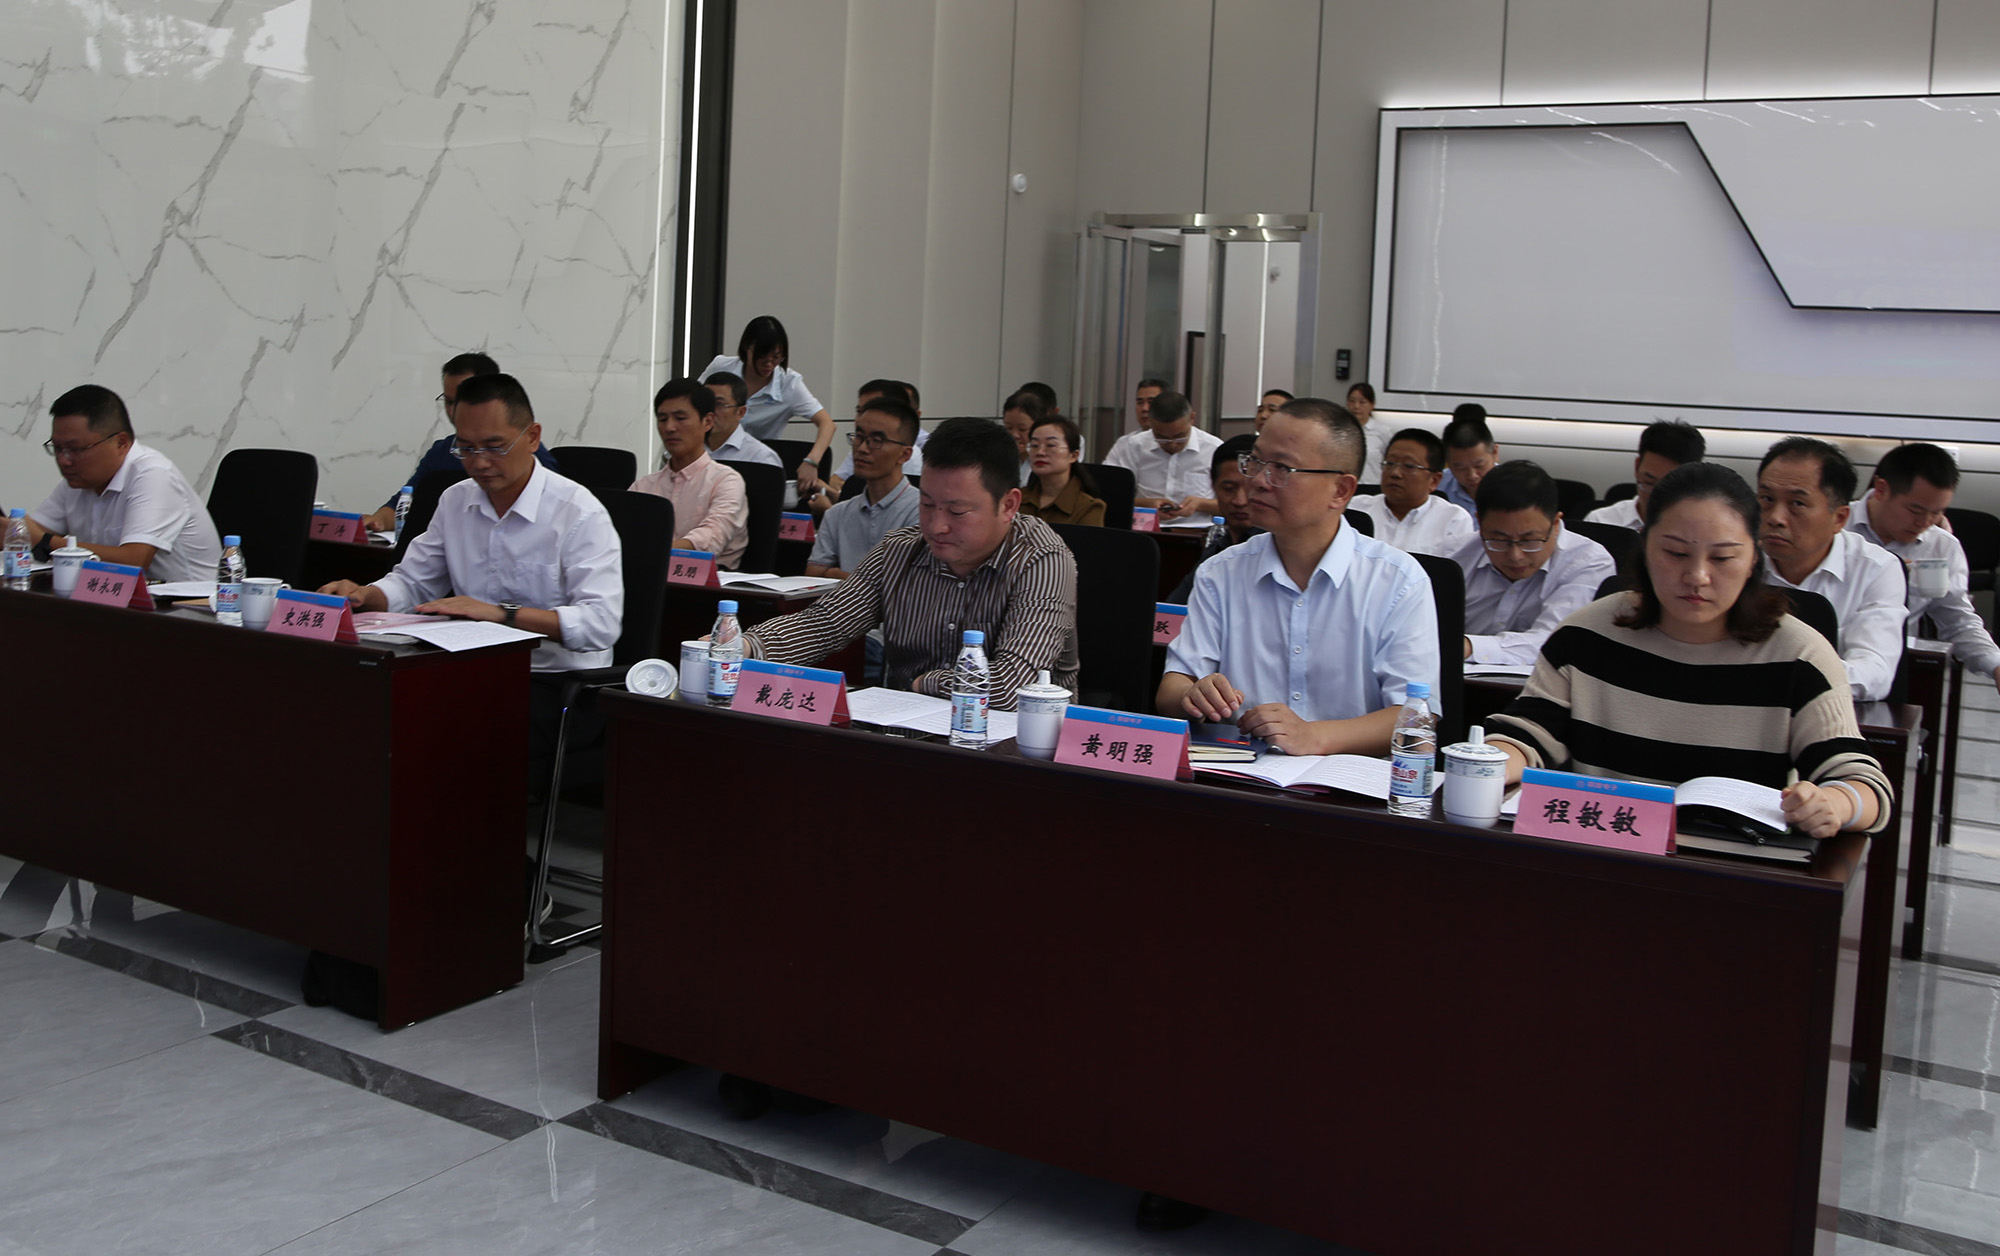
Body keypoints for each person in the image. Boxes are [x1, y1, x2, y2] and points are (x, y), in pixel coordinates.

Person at [1485, 461, 1889, 840]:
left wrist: (1834, 803)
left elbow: (1864, 784)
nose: (1697, 576)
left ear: (1753, 559)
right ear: (1646, 548)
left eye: (1723, 557)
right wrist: (1489, 762)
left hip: (1730, 866)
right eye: (1676, 553)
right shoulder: (1586, 635)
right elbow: (1527, 735)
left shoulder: (1799, 655)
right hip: (1600, 851)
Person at [318, 373, 624, 791]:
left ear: (532, 437)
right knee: (369, 702)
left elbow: (600, 624)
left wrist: (502, 615)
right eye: (466, 447)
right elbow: (413, 583)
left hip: (557, 684)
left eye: (495, 447)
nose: (479, 462)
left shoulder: (579, 513)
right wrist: (364, 595)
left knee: (442, 725)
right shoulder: (456, 499)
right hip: (471, 670)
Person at [1159, 398, 1439, 756]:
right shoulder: (1221, 572)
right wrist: (1192, 695)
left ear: (1341, 490)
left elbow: (1416, 717)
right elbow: (1171, 689)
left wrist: (1314, 736)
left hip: (1348, 780)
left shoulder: (1398, 580)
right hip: (1241, 771)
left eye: (1281, 468)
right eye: (1255, 461)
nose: (1258, 481)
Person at [741, 417, 1079, 704]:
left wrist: (924, 683)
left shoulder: (1042, 559)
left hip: (1014, 742)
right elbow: (825, 624)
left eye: (957, 511)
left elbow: (1012, 686)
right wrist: (743, 646)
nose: (936, 525)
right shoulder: (900, 549)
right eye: (927, 504)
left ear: (1008, 505)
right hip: (907, 731)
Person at [16, 384, 222, 584]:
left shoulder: (154, 475)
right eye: (58, 448)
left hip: (186, 603)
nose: (63, 460)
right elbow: (31, 531)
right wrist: (13, 531)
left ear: (121, 443)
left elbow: (134, 562)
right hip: (113, 599)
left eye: (75, 449)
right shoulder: (78, 481)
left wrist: (44, 542)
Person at [1756, 437, 1905, 702]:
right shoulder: (1733, 557)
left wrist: (1786, 677)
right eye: (1767, 499)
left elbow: (1874, 671)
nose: (1775, 518)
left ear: (1839, 518)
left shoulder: (1876, 568)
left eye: (1797, 504)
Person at [1850, 443, 2000, 692]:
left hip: (1896, 670)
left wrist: (1995, 664)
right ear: (1881, 489)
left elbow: (1958, 621)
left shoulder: (1941, 546)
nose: (1925, 522)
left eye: (1937, 512)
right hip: (1826, 656)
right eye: (1915, 510)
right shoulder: (1832, 527)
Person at [365, 352, 557, 534]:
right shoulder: (442, 453)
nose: (455, 410)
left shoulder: (529, 456)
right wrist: (376, 521)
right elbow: (404, 505)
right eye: (449, 401)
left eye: (494, 448)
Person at [1451, 461, 1615, 665]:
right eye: (1499, 540)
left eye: (1529, 540)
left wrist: (1465, 646)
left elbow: (1555, 641)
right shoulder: (1453, 554)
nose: (1515, 555)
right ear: (1480, 524)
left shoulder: (1589, 562)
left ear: (1556, 524)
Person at [699, 316, 835, 497]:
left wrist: (812, 461)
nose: (769, 364)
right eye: (763, 357)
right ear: (747, 347)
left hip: (754, 466)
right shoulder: (721, 366)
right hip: (711, 455)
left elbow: (827, 424)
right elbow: (694, 402)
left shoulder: (789, 384)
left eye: (777, 357)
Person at [629, 380, 750, 569]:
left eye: (680, 418)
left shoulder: (726, 481)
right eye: (663, 419)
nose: (670, 427)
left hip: (710, 582)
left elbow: (711, 539)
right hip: (647, 575)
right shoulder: (643, 487)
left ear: (708, 421)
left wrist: (651, 552)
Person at [807, 396, 922, 579]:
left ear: (904, 455)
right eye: (859, 437)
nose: (862, 448)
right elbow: (813, 575)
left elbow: (904, 583)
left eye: (876, 440)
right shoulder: (837, 514)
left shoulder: (922, 512)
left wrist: (834, 573)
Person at [1347, 428, 1476, 559]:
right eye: (1390, 463)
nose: (1395, 473)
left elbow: (1455, 570)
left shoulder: (1453, 520)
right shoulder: (1355, 509)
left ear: (1434, 480)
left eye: (1409, 466)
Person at [1166, 434, 1260, 604]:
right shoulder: (1216, 550)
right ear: (1213, 485)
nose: (1240, 501)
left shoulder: (1280, 551)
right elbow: (1174, 608)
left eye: (1250, 489)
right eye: (1229, 489)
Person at [1103, 390, 1221, 522]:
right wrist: (1145, 505)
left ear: (1192, 418)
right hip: (1145, 529)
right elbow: (1110, 497)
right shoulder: (1135, 446)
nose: (1172, 444)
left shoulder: (1213, 448)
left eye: (1179, 437)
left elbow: (1234, 505)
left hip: (1197, 530)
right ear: (1150, 422)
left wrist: (1201, 504)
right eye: (1161, 438)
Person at [1585, 420, 1706, 530]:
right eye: (1649, 483)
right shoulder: (1600, 522)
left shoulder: (1706, 528)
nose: (1657, 497)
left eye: (1670, 487)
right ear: (1637, 467)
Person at [824, 379, 928, 500]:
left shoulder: (919, 508)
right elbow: (836, 480)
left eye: (877, 440)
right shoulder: (844, 509)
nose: (862, 448)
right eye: (860, 411)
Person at [1019, 414, 1105, 527]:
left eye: (1050, 445)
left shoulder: (1089, 508)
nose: (1040, 452)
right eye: (1035, 445)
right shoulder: (1017, 499)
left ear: (1074, 455)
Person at [700, 372, 783, 470]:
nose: (710, 411)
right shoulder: (688, 448)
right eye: (706, 402)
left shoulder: (761, 458)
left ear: (741, 412)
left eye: (719, 404)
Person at [1437, 404, 1498, 517]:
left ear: (1495, 453)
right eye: (1460, 468)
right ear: (1447, 462)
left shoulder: (1518, 488)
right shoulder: (1436, 487)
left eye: (1479, 465)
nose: (1472, 475)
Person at [1000, 389, 1046, 486]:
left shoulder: (1047, 461)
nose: (1014, 435)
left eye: (1022, 429)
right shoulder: (998, 456)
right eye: (1009, 427)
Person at [1346, 382, 1387, 483]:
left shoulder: (1382, 431)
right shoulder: (1341, 430)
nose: (1356, 406)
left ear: (1372, 405)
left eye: (1362, 402)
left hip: (1372, 486)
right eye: (1352, 401)